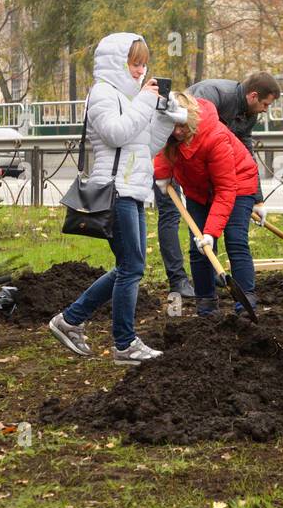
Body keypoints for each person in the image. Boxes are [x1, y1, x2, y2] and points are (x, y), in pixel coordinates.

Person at [48, 33, 187, 363]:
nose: (141, 71)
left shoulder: (129, 98)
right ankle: (123, 343)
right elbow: (115, 133)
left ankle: (70, 320)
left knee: (129, 266)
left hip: (133, 191)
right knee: (132, 267)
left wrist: (164, 118)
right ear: (116, 62)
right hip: (114, 191)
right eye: (134, 63)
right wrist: (145, 102)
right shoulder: (103, 93)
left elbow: (144, 147)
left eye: (143, 64)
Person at [154, 71, 280, 303]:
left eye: (182, 127)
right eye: (264, 103)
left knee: (235, 240)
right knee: (198, 247)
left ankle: (246, 301)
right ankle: (205, 305)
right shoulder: (208, 97)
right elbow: (167, 142)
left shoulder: (217, 134)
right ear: (253, 96)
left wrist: (257, 199)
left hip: (234, 182)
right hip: (199, 184)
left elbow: (236, 168)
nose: (265, 109)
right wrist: (162, 175)